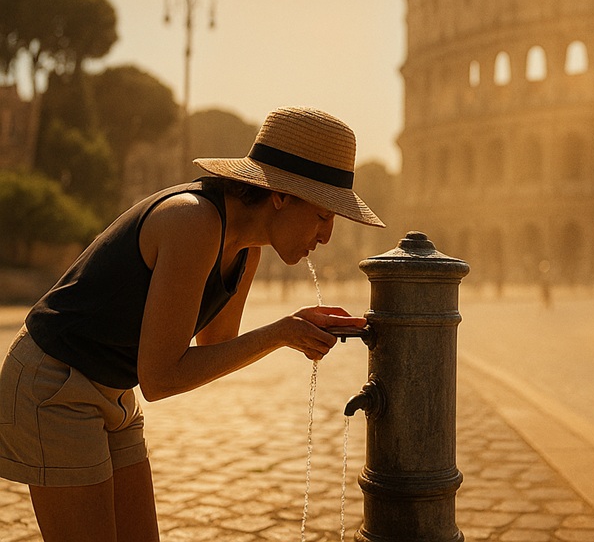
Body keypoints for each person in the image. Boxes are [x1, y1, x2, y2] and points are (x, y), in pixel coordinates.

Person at [0, 106, 385, 541]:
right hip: (53, 383)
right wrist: (281, 331)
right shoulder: (193, 220)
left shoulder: (247, 249)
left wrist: (289, 334)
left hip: (112, 392)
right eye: (323, 215)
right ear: (280, 195)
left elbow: (215, 343)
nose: (327, 235)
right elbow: (161, 378)